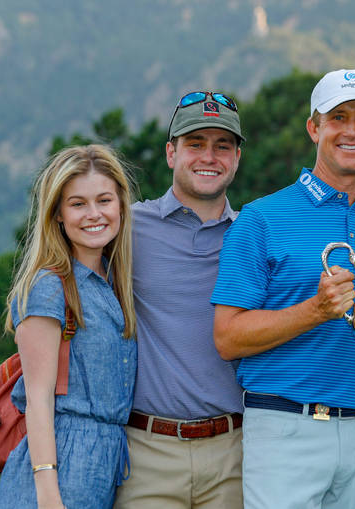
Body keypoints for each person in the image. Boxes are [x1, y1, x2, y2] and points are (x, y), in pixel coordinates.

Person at [211, 68, 355, 509]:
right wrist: (315, 310)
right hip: (284, 427)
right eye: (338, 118)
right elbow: (227, 337)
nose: (351, 131)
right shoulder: (261, 219)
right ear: (314, 128)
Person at [113, 91, 246, 509]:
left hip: (235, 452)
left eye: (222, 146)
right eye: (195, 144)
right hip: (146, 452)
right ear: (171, 153)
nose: (209, 157)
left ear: (236, 158)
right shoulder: (126, 227)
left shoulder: (254, 235)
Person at [0, 144, 137, 508]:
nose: (94, 214)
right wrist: (48, 494)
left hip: (108, 464)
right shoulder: (49, 286)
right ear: (58, 213)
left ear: (121, 205)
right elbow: (38, 399)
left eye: (104, 200)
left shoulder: (114, 283)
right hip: (61, 467)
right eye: (78, 204)